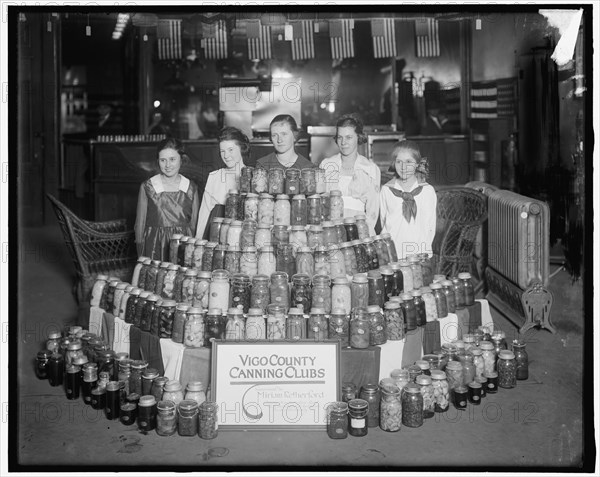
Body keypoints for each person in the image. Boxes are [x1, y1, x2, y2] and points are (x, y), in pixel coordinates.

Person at [134, 138, 200, 261]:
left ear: (181, 160)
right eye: (163, 160)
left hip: (182, 248)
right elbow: (140, 224)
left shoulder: (190, 188)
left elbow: (194, 224)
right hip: (154, 247)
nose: (168, 165)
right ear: (158, 161)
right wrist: (141, 256)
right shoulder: (148, 186)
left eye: (172, 159)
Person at [319, 113, 381, 235]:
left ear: (358, 137)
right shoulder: (326, 165)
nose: (343, 142)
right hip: (331, 231)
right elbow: (321, 206)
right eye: (340, 137)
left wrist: (363, 236)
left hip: (359, 232)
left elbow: (372, 212)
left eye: (349, 137)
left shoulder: (370, 169)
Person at [379, 140, 437, 258]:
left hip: (419, 254)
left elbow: (430, 225)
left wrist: (424, 251)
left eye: (408, 161)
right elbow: (384, 222)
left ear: (417, 164)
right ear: (394, 164)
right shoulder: (386, 190)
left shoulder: (427, 191)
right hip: (393, 253)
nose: (403, 167)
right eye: (399, 161)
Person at [195, 126, 250, 239]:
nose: (226, 156)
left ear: (242, 148)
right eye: (222, 151)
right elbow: (204, 214)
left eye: (230, 150)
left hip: (245, 236)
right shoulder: (214, 177)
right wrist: (198, 240)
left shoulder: (253, 176)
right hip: (217, 235)